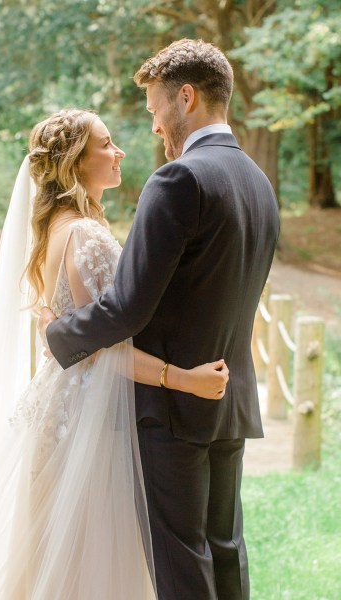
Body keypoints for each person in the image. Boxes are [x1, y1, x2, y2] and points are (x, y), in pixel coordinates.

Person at [0, 107, 229, 600]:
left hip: (57, 410)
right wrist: (183, 379)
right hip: (89, 419)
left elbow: (68, 332)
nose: (119, 152)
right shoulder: (85, 235)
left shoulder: (57, 228)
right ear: (76, 162)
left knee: (54, 559)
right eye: (106, 144)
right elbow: (100, 348)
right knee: (87, 566)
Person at [41, 40, 280, 600]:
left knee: (179, 564)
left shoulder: (178, 180)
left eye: (154, 110)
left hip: (173, 412)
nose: (153, 127)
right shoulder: (258, 184)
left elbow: (127, 307)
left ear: (187, 97)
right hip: (231, 399)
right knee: (226, 551)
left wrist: (59, 332)